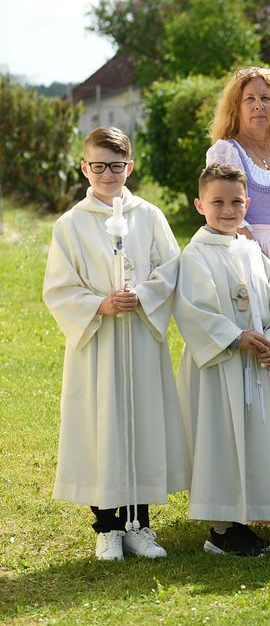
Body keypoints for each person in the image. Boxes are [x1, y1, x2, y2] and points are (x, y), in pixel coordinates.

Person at [43, 126, 188, 561]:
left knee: (142, 423)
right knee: (102, 427)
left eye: (117, 166)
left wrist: (141, 294)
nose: (108, 174)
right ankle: (107, 527)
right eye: (99, 166)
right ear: (84, 167)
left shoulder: (150, 216)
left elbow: (171, 268)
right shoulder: (71, 224)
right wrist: (99, 304)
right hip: (98, 342)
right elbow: (58, 287)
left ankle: (139, 525)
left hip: (140, 337)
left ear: (130, 166)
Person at [174, 163, 270, 557]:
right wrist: (236, 337)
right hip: (219, 365)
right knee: (220, 440)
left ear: (247, 204)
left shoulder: (252, 251)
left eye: (236, 202)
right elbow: (194, 310)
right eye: (217, 202)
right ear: (199, 205)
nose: (228, 210)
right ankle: (221, 530)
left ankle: (243, 522)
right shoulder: (196, 254)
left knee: (252, 437)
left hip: (253, 365)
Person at [206, 67, 270, 272]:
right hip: (246, 257)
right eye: (250, 99)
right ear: (236, 107)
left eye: (265, 98)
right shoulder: (226, 153)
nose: (259, 105)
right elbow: (229, 216)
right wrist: (266, 268)